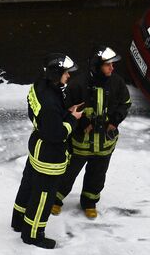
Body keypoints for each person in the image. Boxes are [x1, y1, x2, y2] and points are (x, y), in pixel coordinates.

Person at [11, 53, 85, 249]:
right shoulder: (50, 103)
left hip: (37, 146)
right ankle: (33, 234)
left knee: (27, 186)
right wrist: (73, 119)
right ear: (56, 73)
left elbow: (43, 117)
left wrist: (64, 113)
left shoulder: (38, 86)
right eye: (66, 73)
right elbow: (58, 134)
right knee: (43, 196)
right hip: (50, 155)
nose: (69, 76)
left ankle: (18, 221)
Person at [54, 46, 131, 219]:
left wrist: (114, 120)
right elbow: (66, 108)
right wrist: (82, 123)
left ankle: (89, 201)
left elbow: (125, 103)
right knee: (68, 173)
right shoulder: (77, 85)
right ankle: (56, 199)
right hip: (81, 142)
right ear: (96, 66)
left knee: (97, 175)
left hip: (105, 143)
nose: (112, 68)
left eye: (112, 64)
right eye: (107, 65)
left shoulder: (117, 82)